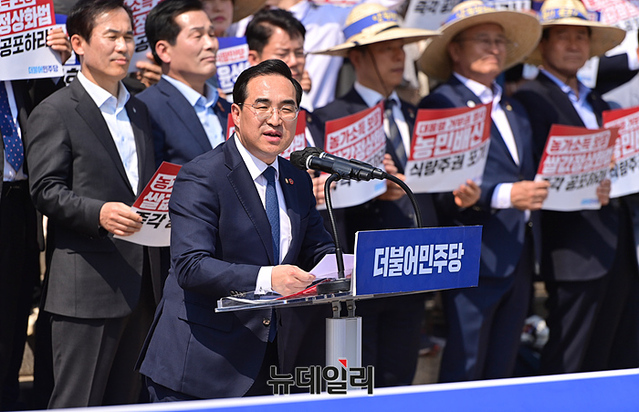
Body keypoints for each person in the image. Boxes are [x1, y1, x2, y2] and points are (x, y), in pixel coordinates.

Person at [137, 59, 335, 400]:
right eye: (263, 106)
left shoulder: (296, 178)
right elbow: (191, 265)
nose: (275, 119)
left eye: (287, 108)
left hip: (270, 361)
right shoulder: (202, 175)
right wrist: (268, 278)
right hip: (200, 364)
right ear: (236, 113)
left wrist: (351, 266)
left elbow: (317, 249)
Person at [25, 0, 162, 407]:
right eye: (112, 36)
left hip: (143, 284)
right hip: (86, 287)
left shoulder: (139, 108)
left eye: (129, 37)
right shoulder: (55, 110)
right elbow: (45, 189)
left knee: (128, 401)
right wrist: (98, 213)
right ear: (79, 44)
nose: (123, 46)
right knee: (77, 402)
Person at [314, 3, 450, 387]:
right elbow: (324, 194)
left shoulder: (417, 113)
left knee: (399, 376)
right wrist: (369, 189)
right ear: (357, 57)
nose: (398, 56)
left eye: (401, 47)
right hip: (361, 271)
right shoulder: (328, 118)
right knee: (355, 378)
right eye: (387, 48)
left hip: (414, 266)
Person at [417, 0, 549, 382]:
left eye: (500, 41)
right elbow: (438, 183)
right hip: (473, 252)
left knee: (503, 364)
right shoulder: (441, 102)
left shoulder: (513, 107)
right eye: (483, 40)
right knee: (467, 363)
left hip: (518, 251)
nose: (494, 48)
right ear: (455, 50)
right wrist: (504, 195)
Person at [513, 0, 637, 374]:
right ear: (543, 44)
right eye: (562, 36)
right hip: (571, 248)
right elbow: (534, 166)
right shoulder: (528, 98)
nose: (573, 44)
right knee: (569, 356)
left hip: (616, 242)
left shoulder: (599, 101)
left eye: (581, 36)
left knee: (617, 352)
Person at [0, 28, 71, 411]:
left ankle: (9, 398)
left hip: (22, 208)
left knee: (15, 315)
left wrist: (51, 63)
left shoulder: (20, 73)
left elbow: (50, 117)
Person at [138, 0, 231, 168]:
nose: (210, 44)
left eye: (211, 34)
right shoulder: (145, 109)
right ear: (164, 50)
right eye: (197, 36)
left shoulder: (227, 108)